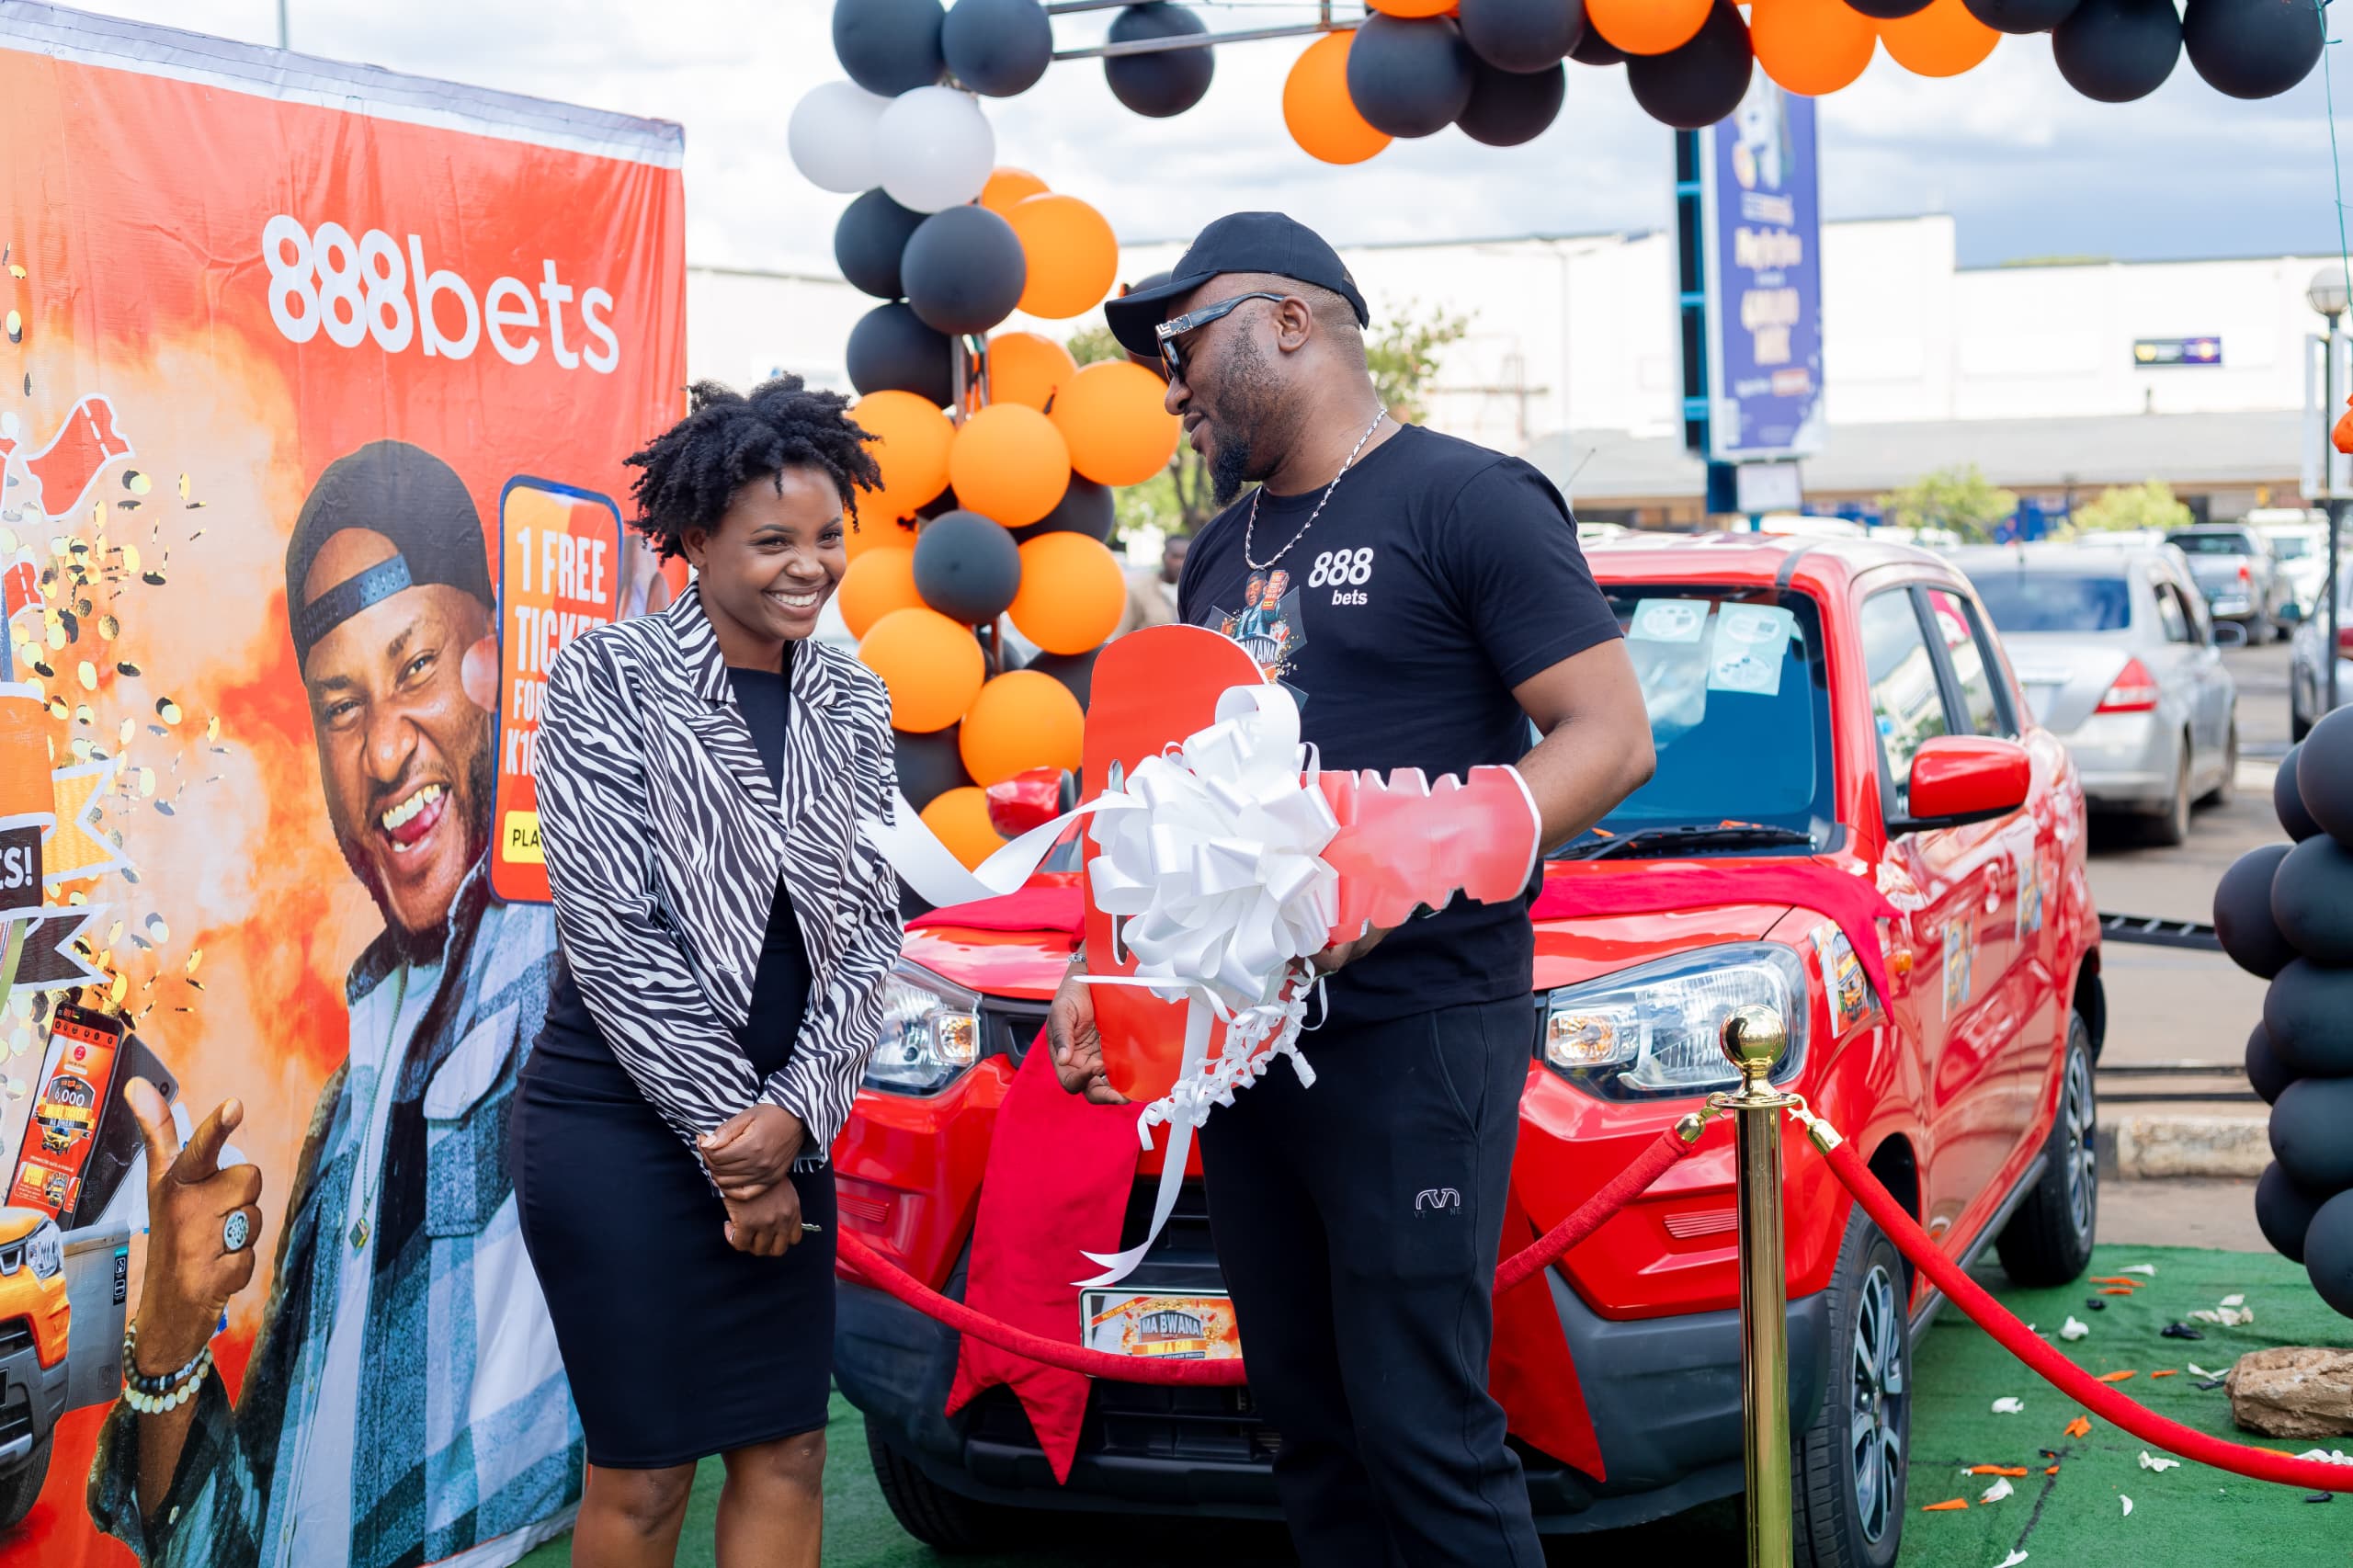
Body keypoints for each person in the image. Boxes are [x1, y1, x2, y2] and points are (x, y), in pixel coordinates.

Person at [1053, 213, 1657, 1567]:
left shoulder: (1469, 498)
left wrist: (1407, 862)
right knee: (1305, 1424)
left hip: (1415, 1028)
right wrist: (1106, 961)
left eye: (1181, 345)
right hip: (1247, 1041)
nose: (1168, 388)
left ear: (1288, 321)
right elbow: (1175, 796)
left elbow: (1611, 738)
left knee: (1420, 1429)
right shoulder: (1217, 550)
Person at [91, 440, 584, 1568]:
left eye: (416, 668)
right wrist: (171, 1332)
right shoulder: (348, 1100)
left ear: (499, 665)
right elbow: (216, 1546)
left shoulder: (568, 960)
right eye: (343, 705)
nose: (385, 748)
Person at [512, 376, 903, 1568]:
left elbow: (867, 930)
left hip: (792, 1121)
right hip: (620, 1130)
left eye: (828, 536)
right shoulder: (605, 676)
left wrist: (792, 1119)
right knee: (645, 1473)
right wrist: (740, 1144)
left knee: (789, 1447)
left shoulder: (853, 695)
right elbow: (613, 932)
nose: (810, 566)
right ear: (693, 536)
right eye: (774, 540)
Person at [1116, 531, 1188, 635]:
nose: (1179, 563)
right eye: (1175, 557)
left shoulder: (1193, 592)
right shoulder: (1139, 591)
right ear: (1163, 557)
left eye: (1184, 557)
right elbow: (1120, 634)